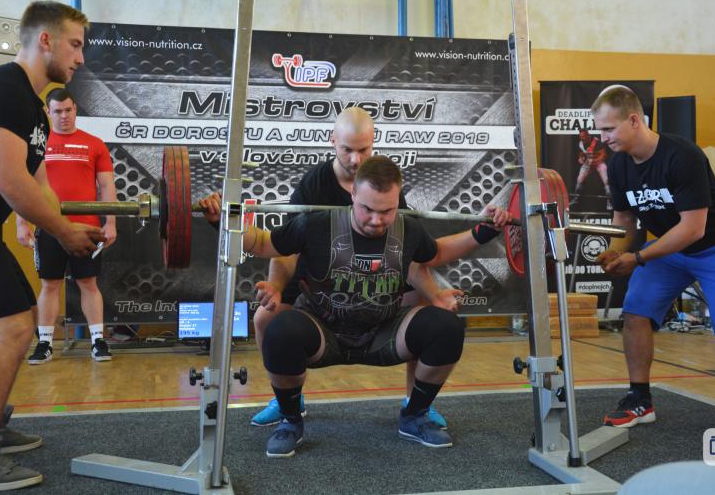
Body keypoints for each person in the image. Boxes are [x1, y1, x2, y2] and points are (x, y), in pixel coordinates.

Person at [199, 106, 506, 429]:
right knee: (269, 321)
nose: (356, 159)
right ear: (353, 194)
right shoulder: (314, 192)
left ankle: (415, 406)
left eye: (386, 211)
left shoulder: (385, 188)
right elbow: (278, 246)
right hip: (317, 274)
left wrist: (447, 279)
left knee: (434, 315)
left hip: (377, 280)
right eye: (348, 150)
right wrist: (229, 230)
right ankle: (286, 399)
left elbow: (416, 253)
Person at [234, 155, 510, 457]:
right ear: (353, 194)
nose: (376, 220)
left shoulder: (408, 229)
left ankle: (415, 415)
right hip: (324, 332)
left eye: (386, 211)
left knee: (446, 328)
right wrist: (224, 220)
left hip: (383, 332)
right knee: (279, 330)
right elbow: (263, 243)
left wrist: (484, 231)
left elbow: (436, 253)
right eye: (367, 209)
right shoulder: (317, 225)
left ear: (397, 201)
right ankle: (290, 420)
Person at [0, 1, 104, 490]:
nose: (81, 58)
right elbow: (9, 181)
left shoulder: (34, 109)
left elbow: (40, 184)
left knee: (23, 316)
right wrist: (63, 232)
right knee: (10, 328)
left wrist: (68, 225)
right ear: (45, 40)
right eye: (75, 45)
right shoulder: (4, 89)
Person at [592, 85, 715, 437]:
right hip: (670, 249)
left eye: (609, 129)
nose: (603, 137)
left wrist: (637, 257)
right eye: (600, 129)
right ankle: (640, 399)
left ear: (634, 120)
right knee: (635, 313)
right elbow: (624, 219)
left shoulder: (682, 155)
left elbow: (692, 228)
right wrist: (615, 250)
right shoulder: (617, 165)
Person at [16, 88, 117, 364]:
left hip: (87, 228)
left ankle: (98, 341)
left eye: (68, 110)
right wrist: (21, 222)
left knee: (88, 283)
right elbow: (22, 185)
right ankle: (45, 343)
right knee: (49, 284)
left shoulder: (95, 144)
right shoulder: (36, 146)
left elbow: (107, 186)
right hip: (49, 226)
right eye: (58, 111)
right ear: (48, 112)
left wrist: (111, 222)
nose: (64, 116)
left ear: (76, 109)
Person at [569, 128, 611, 209]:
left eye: (584, 136)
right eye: (581, 137)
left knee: (606, 180)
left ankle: (610, 201)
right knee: (579, 179)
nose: (582, 138)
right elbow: (581, 155)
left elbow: (604, 155)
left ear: (588, 136)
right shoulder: (581, 144)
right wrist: (581, 159)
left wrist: (595, 162)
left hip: (599, 162)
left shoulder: (597, 142)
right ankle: (576, 198)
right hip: (588, 163)